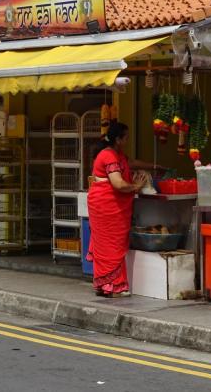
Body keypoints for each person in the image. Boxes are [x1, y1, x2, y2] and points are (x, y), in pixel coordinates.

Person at [87, 122, 160, 298]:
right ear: (118, 139)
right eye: (125, 137)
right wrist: (136, 186)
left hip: (110, 205)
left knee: (109, 245)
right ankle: (112, 285)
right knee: (111, 245)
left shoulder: (116, 154)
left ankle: (105, 284)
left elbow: (132, 163)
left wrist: (157, 167)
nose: (127, 140)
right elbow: (118, 183)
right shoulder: (109, 156)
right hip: (106, 206)